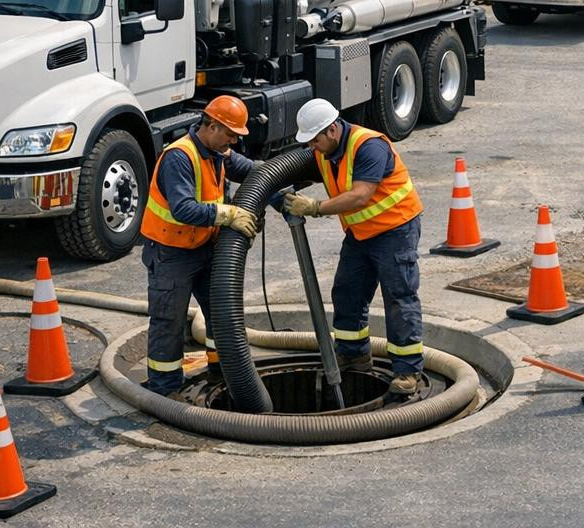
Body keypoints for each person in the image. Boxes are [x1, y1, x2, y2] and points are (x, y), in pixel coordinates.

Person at [280, 99, 426, 399]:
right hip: (361, 233)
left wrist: (316, 207)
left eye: (315, 140)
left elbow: (360, 196)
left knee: (399, 297)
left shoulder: (369, 146)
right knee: (348, 290)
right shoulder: (325, 151)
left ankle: (407, 370)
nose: (312, 148)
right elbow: (294, 170)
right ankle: (353, 353)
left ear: (332, 130)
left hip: (395, 229)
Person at [140, 96, 258, 397]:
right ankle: (164, 391)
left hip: (203, 247)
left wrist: (284, 195)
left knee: (221, 311)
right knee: (170, 321)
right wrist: (228, 214)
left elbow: (253, 173)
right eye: (230, 133)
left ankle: (222, 371)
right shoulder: (180, 157)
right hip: (171, 253)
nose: (233, 141)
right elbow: (183, 209)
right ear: (212, 126)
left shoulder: (218, 151)